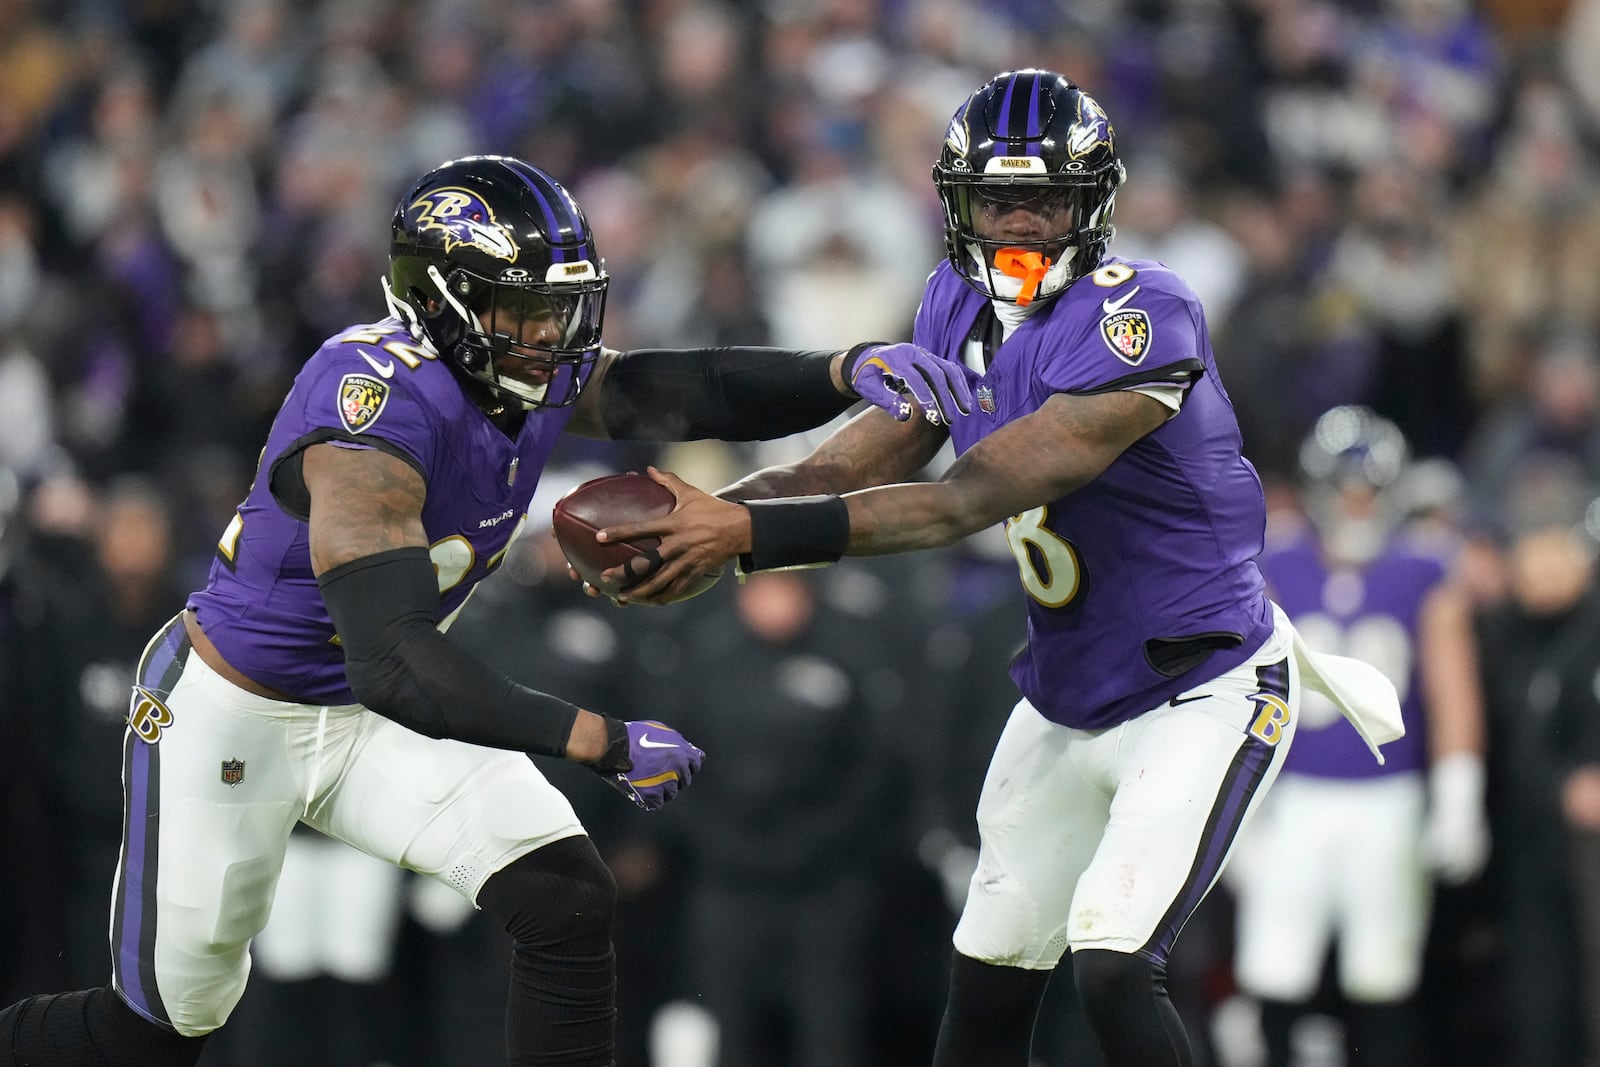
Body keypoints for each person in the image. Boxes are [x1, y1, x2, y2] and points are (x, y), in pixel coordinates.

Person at [0, 153, 973, 1067]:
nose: (551, 337)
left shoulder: (520, 371)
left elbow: (665, 387)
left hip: (371, 712)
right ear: (442, 303)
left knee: (562, 893)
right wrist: (591, 735)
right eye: (523, 311)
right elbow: (391, 655)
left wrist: (841, 370)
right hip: (239, 710)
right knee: (160, 1031)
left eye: (561, 310)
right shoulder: (368, 411)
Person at [580, 70, 1404, 1067]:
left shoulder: (1140, 316)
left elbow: (963, 497)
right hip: (1066, 697)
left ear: (1091, 204)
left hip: (1204, 682)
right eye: (996, 199)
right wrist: (720, 516)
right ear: (953, 200)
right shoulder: (953, 303)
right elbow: (861, 457)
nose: (1019, 222)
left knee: (1111, 958)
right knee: (986, 986)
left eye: (1044, 199)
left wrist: (743, 538)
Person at [1226, 406, 1488, 1067]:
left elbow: (1451, 690)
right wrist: (1237, 806)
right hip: (1293, 799)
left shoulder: (1424, 571)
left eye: (1370, 487)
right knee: (1275, 966)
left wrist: (1459, 796)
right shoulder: (1275, 564)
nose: (1358, 502)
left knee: (1383, 970)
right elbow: (1240, 692)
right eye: (1346, 486)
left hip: (1388, 798)